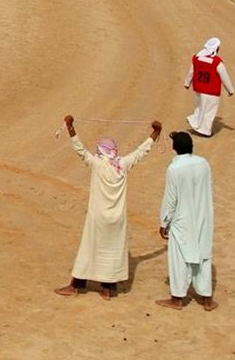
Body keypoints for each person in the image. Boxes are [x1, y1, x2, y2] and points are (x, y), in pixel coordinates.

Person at [57, 115, 161, 300]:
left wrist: (70, 126)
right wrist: (156, 132)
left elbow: (80, 149)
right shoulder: (122, 164)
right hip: (117, 219)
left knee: (89, 249)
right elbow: (141, 151)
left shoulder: (97, 164)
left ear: (100, 151)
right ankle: (108, 288)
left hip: (98, 217)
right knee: (112, 251)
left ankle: (76, 285)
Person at [157, 131, 217, 311]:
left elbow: (170, 199)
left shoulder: (174, 169)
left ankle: (177, 299)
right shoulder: (203, 164)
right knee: (203, 255)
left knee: (179, 258)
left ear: (175, 148)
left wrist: (164, 221)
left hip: (182, 219)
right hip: (203, 216)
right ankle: (207, 299)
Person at [183, 38, 235, 137]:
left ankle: (195, 123)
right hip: (211, 91)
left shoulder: (197, 58)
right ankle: (205, 131)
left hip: (198, 89)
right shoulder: (217, 62)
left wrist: (187, 83)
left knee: (199, 108)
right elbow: (224, 77)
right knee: (209, 111)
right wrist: (230, 90)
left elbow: (191, 72)